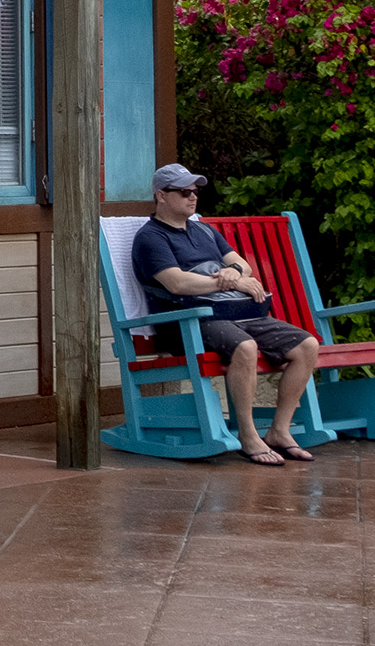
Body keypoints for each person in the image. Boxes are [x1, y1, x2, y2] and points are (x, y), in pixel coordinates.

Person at [131, 164, 320, 466]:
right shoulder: (151, 238)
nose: (192, 197)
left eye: (195, 191)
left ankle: (279, 431)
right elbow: (177, 282)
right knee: (245, 348)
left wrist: (234, 273)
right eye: (184, 191)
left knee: (307, 346)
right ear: (161, 196)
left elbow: (242, 264)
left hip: (235, 311)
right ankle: (247, 435)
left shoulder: (204, 229)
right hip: (187, 318)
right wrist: (228, 279)